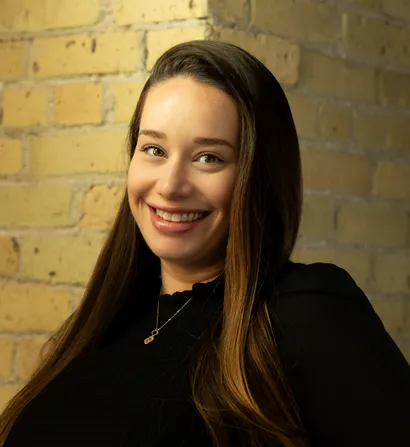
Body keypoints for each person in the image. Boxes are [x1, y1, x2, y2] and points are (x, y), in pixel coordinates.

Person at [1, 40, 409, 447]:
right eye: (154, 149)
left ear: (259, 176)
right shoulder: (102, 321)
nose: (171, 185)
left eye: (208, 158)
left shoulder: (303, 312)